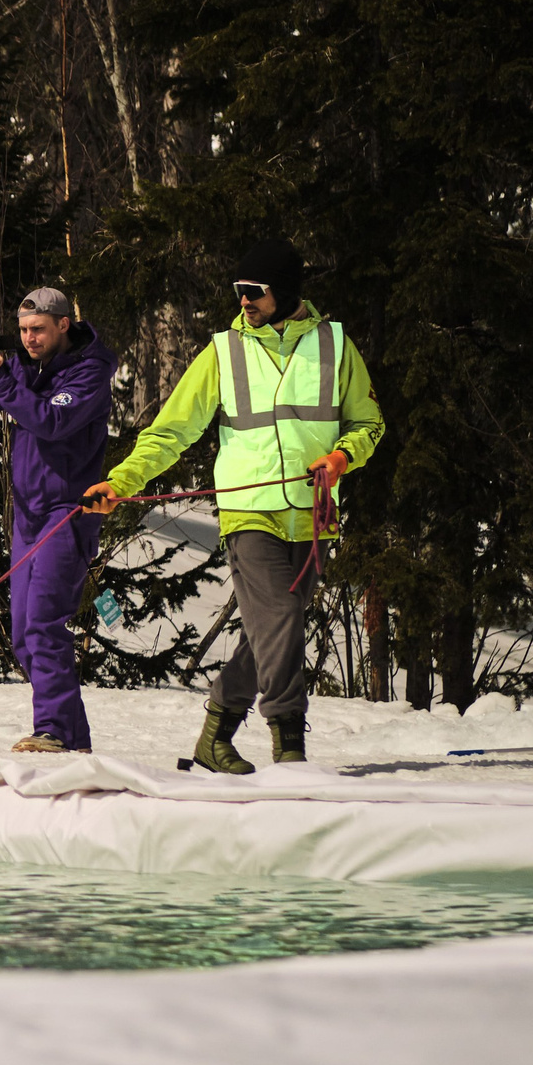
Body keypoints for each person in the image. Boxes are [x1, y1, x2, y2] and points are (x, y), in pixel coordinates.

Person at [83, 240, 384, 772]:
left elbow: (368, 425)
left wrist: (341, 457)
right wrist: (122, 480)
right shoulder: (224, 351)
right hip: (249, 515)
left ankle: (215, 734)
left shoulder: (336, 345)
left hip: (314, 518)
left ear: (285, 292)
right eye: (238, 290)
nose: (242, 300)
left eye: (254, 291)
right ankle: (290, 746)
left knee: (268, 631)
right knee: (283, 619)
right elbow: (171, 432)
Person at [0, 288, 119, 753]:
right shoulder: (26, 365)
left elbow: (49, 421)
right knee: (25, 635)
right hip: (26, 513)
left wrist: (4, 378)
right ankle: (74, 739)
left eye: (38, 330)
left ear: (63, 324)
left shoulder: (89, 371)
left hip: (67, 511)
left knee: (44, 623)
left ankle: (52, 731)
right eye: (23, 330)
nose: (28, 339)